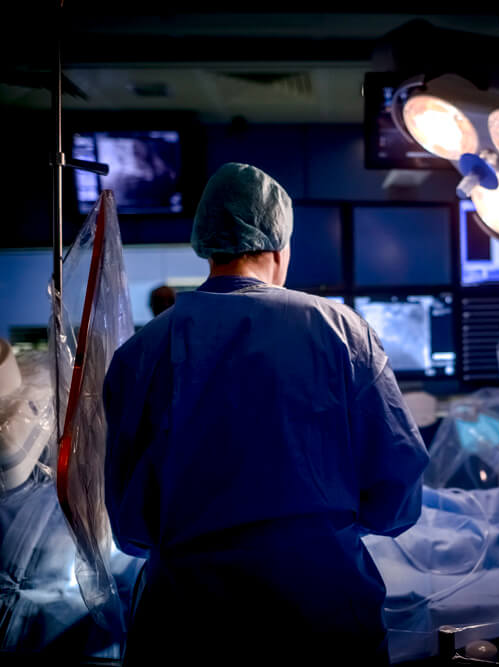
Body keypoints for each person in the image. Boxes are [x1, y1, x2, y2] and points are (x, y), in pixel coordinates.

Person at [103, 163, 429, 664]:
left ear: (208, 246)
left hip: (187, 628)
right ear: (280, 246)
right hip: (322, 618)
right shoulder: (340, 330)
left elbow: (131, 528)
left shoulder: (140, 353)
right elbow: (396, 497)